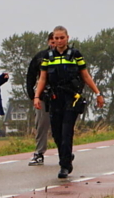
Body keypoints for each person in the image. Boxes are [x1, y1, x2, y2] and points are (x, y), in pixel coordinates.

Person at [33, 26, 105, 179]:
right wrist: (37, 97)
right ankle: (66, 155)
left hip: (71, 99)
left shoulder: (75, 55)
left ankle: (64, 166)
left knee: (67, 132)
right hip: (54, 99)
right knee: (57, 135)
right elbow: (43, 78)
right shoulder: (48, 56)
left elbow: (85, 76)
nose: (59, 41)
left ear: (67, 38)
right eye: (56, 38)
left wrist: (98, 93)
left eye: (62, 38)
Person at [24, 32, 56, 165]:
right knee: (41, 124)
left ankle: (65, 152)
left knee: (62, 126)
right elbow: (31, 76)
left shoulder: (69, 56)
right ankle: (39, 153)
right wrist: (33, 96)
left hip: (62, 96)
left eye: (59, 39)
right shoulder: (40, 57)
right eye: (53, 41)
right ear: (49, 42)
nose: (56, 43)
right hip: (44, 97)